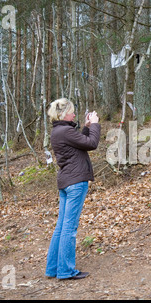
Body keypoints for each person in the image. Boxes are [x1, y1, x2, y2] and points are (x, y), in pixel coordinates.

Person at [45, 98, 101, 280]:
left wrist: (86, 127)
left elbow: (81, 142)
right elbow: (92, 143)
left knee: (61, 227)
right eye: (71, 112)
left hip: (67, 181)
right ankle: (65, 270)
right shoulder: (66, 131)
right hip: (76, 182)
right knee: (69, 228)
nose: (74, 114)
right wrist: (95, 125)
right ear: (63, 114)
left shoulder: (59, 131)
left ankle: (53, 268)